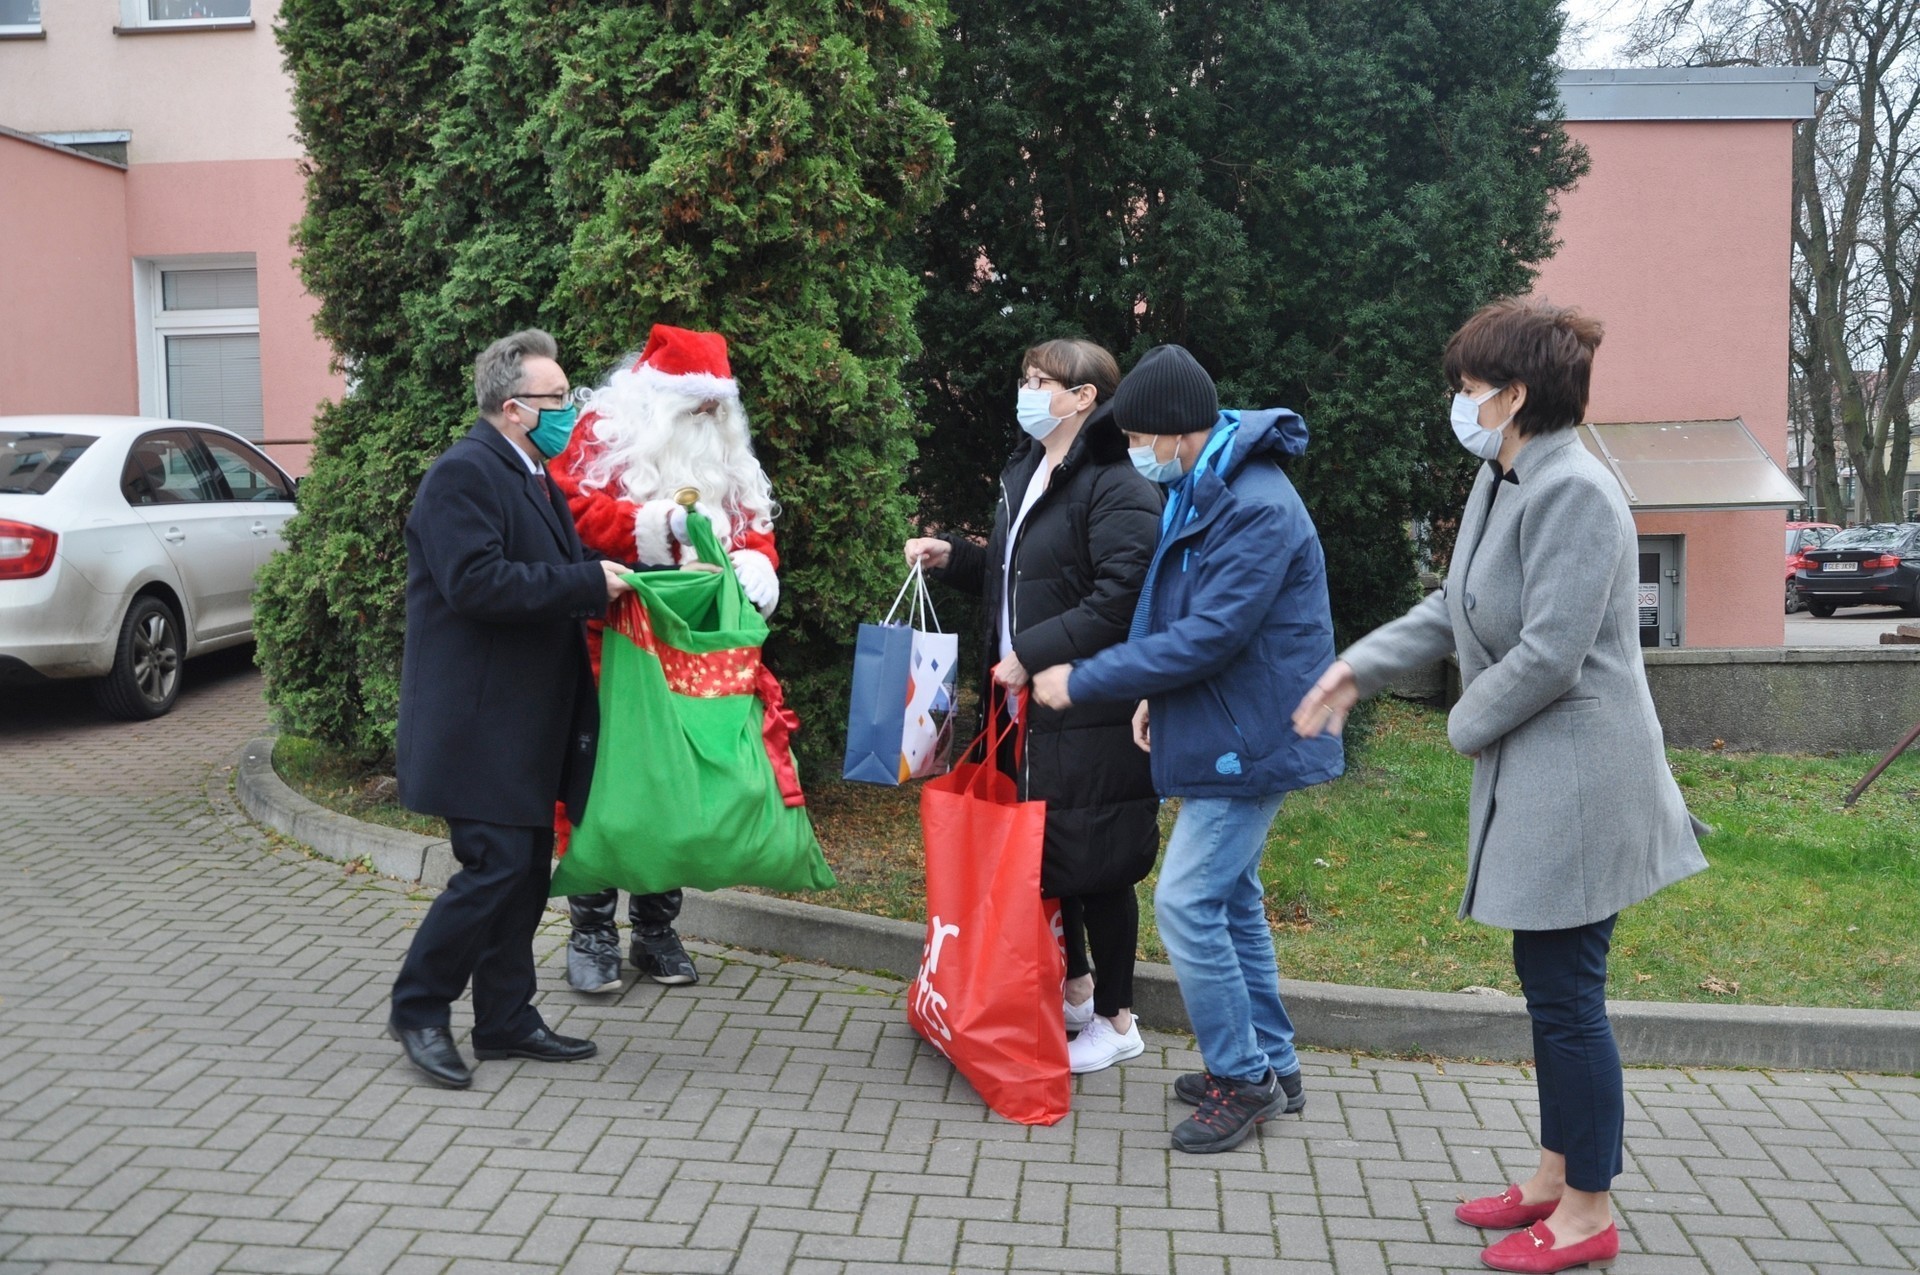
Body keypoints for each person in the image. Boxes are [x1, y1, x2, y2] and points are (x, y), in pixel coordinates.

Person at [1291, 299, 1709, 1274]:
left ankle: (1589, 1210)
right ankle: (1554, 1177)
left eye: (1470, 388)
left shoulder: (1577, 491)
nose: (1460, 402)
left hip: (1583, 780)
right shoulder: (1503, 477)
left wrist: (1459, 724)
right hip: (1540, 773)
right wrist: (1357, 667)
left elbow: (1552, 653)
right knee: (1549, 987)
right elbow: (1454, 604)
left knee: (1568, 998)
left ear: (1515, 396)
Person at [1030, 344, 1344, 1152]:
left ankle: (1242, 1078)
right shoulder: (1205, 483)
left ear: (1177, 430)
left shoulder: (1255, 505)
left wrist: (1089, 677)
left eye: (1140, 437)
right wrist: (1149, 694)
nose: (1136, 450)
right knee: (1231, 899)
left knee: (1186, 902)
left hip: (1253, 734)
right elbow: (1170, 603)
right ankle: (1275, 1064)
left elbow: (1211, 634)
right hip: (1227, 723)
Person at [905, 337, 1162, 1074]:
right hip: (1026, 704)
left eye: (1042, 380)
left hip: (1090, 701)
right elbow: (1021, 575)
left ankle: (1118, 1019)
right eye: (1025, 377)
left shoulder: (1116, 481)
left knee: (1099, 860)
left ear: (1084, 397)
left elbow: (1120, 595)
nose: (1027, 390)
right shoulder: (1027, 468)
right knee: (1050, 851)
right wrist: (956, 557)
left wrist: (1033, 652)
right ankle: (1076, 989)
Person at [390, 329, 631, 1089]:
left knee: (524, 876)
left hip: (522, 725)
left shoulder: (528, 472)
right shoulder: (464, 474)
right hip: (476, 725)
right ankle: (419, 1009)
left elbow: (559, 566)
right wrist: (588, 584)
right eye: (558, 398)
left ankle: (504, 1018)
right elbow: (477, 583)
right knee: (492, 871)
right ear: (514, 407)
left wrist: (620, 579)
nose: (571, 409)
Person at [547, 324, 782, 994]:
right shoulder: (602, 434)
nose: (707, 418)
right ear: (655, 400)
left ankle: (656, 930)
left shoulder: (728, 453)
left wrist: (759, 564)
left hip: (697, 651)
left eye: (715, 408)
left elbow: (751, 520)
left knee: (679, 784)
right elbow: (569, 513)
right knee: (603, 786)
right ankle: (592, 931)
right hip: (610, 641)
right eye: (694, 407)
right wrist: (652, 528)